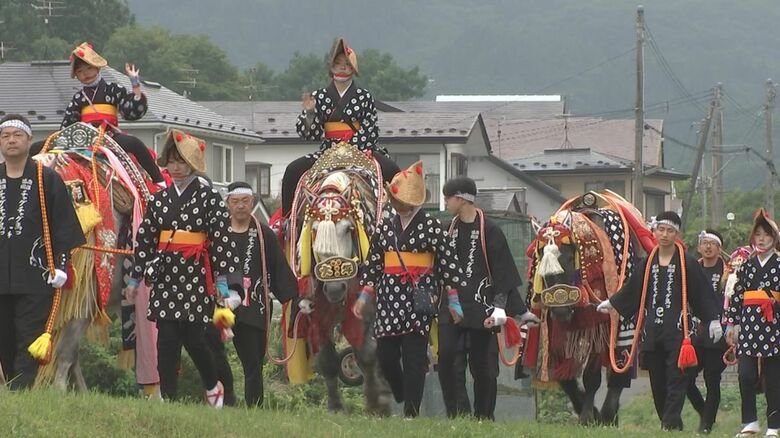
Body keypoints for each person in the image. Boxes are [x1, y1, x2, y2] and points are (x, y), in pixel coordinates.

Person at [124, 129, 238, 407]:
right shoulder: (159, 199)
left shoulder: (210, 198)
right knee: (166, 340)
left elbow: (221, 241)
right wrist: (134, 280)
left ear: (192, 164)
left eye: (181, 162)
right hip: (165, 275)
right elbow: (146, 240)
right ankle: (169, 398)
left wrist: (223, 284)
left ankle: (212, 386)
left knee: (195, 339)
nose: (175, 168)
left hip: (195, 274)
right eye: (172, 162)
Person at [352, 161, 464, 418]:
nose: (395, 204)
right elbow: (374, 263)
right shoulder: (385, 225)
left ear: (414, 202)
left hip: (418, 295)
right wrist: (364, 295)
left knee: (415, 358)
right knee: (386, 355)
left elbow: (448, 264)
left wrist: (453, 300)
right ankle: (400, 389)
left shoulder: (433, 226)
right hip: (389, 296)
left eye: (400, 200)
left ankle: (411, 413)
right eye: (394, 199)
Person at [597, 211, 722, 431]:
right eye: (661, 230)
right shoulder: (647, 263)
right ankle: (672, 423)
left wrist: (713, 320)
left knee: (677, 379)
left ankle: (669, 424)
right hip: (652, 332)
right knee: (657, 382)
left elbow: (702, 294)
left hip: (679, 331)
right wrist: (613, 303)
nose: (664, 235)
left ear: (677, 234)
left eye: (670, 231)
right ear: (654, 232)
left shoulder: (688, 263)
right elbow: (633, 289)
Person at [438, 177, 540, 420]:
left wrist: (501, 309)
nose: (445, 202)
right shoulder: (445, 229)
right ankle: (457, 414)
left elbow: (503, 272)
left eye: (447, 197)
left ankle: (484, 416)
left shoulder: (490, 230)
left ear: (461, 199)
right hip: (451, 308)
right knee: (448, 361)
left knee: (483, 367)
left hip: (482, 310)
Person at [0, 114, 85, 389]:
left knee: (29, 336)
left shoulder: (47, 178)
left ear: (28, 140)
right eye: (5, 136)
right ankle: (13, 392)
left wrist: (60, 265)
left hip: (36, 274)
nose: (11, 140)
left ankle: (20, 393)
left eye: (17, 135)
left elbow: (64, 226)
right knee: (4, 338)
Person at [281, 37, 399, 216]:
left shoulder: (364, 96)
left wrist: (349, 148)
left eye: (347, 64)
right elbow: (309, 134)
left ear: (353, 68)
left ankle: (396, 218)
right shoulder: (318, 96)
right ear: (331, 67)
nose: (342, 67)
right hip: (328, 151)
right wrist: (310, 113)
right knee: (292, 170)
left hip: (359, 150)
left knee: (393, 171)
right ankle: (287, 220)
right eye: (337, 63)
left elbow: (370, 129)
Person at [31, 42, 164, 184]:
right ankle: (25, 178)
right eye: (80, 71)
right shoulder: (78, 98)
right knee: (36, 147)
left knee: (134, 143)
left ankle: (159, 181)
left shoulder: (113, 89)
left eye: (88, 68)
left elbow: (130, 111)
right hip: (83, 138)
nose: (85, 74)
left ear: (97, 68)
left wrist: (135, 84)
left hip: (108, 136)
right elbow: (67, 126)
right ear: (76, 75)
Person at [220, 181, 299, 407]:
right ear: (228, 204)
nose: (241, 207)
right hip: (221, 303)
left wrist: (294, 296)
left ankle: (254, 407)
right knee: (213, 354)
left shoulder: (263, 234)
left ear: (253, 203)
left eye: (245, 201)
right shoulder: (218, 232)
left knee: (253, 362)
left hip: (253, 307)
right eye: (235, 202)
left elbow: (278, 268)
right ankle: (224, 402)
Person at [725, 209, 780, 438]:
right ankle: (750, 422)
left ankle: (774, 425)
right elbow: (737, 295)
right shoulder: (746, 264)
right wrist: (732, 324)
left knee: (774, 378)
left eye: (766, 234)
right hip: (748, 325)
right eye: (757, 234)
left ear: (774, 237)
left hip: (774, 324)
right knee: (745, 375)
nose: (761, 238)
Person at [686, 228, 729, 434]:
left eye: (713, 244)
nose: (708, 247)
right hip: (696, 332)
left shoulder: (728, 271)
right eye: (705, 243)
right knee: (685, 378)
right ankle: (704, 412)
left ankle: (706, 425)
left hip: (719, 333)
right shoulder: (693, 269)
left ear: (720, 248)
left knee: (712, 378)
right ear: (699, 247)